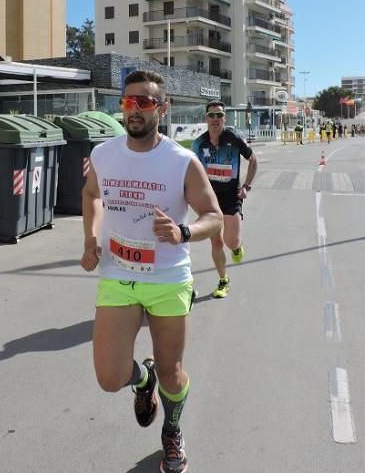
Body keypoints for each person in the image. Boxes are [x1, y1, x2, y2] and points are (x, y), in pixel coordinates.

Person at [81, 70, 223, 473]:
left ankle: (172, 430)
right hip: (118, 275)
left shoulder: (182, 161)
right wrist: (90, 238)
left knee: (172, 373)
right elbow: (91, 195)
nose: (135, 109)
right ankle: (142, 382)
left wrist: (183, 231)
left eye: (144, 102)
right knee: (110, 378)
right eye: (128, 102)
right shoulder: (105, 154)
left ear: (163, 108)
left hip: (166, 279)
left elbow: (213, 216)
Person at [191, 100, 259, 300]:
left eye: (219, 115)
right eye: (211, 115)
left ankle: (237, 246)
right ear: (206, 118)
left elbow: (253, 159)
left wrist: (246, 186)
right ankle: (223, 280)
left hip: (231, 196)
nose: (215, 119)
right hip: (209, 199)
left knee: (231, 242)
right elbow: (191, 168)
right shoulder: (199, 143)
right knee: (216, 242)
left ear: (224, 118)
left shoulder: (234, 138)